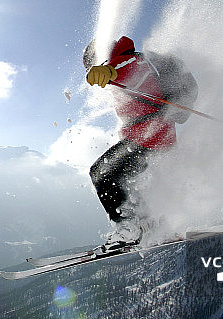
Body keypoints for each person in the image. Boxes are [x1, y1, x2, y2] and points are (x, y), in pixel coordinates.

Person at [84, 36, 197, 250]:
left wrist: (109, 71)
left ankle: (128, 229)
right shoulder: (126, 66)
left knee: (101, 173)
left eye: (91, 64)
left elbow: (127, 68)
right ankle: (151, 226)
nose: (91, 69)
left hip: (149, 137)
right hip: (152, 137)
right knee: (127, 185)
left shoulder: (128, 61)